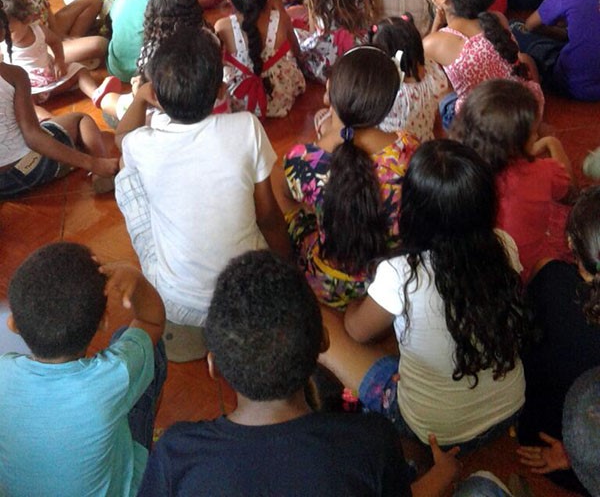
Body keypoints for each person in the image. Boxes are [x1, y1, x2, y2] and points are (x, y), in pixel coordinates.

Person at [138, 249, 472, 497]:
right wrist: (442, 475)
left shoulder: (175, 453)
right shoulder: (369, 440)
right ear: (323, 343)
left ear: (213, 366)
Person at [115, 26, 290, 361]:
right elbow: (268, 217)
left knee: (127, 168)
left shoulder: (141, 144)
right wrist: (286, 271)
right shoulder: (247, 128)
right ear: (221, 92)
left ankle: (190, 334)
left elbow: (120, 139)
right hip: (247, 293)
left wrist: (138, 98)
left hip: (178, 303)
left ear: (157, 95)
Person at [341, 141, 527, 450]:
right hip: (510, 408)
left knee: (333, 328)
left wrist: (351, 307)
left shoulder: (400, 271)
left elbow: (357, 331)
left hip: (434, 432)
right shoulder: (504, 245)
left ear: (412, 210)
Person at [0, 242, 166, 497]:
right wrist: (136, 278)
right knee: (144, 346)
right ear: (103, 323)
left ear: (13, 325)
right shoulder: (112, 378)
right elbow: (151, 320)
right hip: (124, 487)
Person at [275, 46, 417, 309]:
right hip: (392, 281)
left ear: (330, 91)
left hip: (326, 283)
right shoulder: (410, 149)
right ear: (385, 106)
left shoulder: (303, 160)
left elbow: (285, 197)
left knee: (285, 198)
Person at [517, 189, 600, 495]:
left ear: (572, 247)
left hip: (565, 443)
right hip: (578, 451)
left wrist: (576, 450)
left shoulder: (551, 275)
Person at [451, 79, 575, 282]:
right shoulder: (545, 170)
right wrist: (553, 144)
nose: (537, 136)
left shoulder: (460, 171)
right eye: (533, 132)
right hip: (531, 267)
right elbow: (567, 189)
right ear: (515, 143)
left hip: (478, 269)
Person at [0, 1, 117, 196]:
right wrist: (93, 163)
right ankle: (100, 169)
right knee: (80, 120)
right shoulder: (13, 75)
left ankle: (64, 158)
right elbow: (33, 137)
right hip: (25, 172)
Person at [423, 0, 543, 125]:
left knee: (442, 92)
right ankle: (535, 126)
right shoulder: (497, 19)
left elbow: (421, 61)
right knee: (526, 59)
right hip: (518, 112)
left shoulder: (435, 42)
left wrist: (437, 22)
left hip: (483, 125)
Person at [215, 0, 305, 118]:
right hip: (279, 95)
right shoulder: (280, 20)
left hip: (240, 100)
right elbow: (296, 52)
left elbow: (218, 64)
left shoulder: (222, 26)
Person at [0, 0, 108, 106]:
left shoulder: (39, 31)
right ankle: (43, 118)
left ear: (26, 20)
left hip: (52, 77)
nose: (5, 36)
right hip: (30, 88)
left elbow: (55, 42)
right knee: (22, 100)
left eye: (10, 31)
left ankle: (96, 94)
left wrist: (59, 61)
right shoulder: (3, 42)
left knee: (80, 70)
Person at [371, 15, 449, 141]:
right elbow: (437, 122)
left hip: (393, 154)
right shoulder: (434, 75)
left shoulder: (382, 91)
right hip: (424, 148)